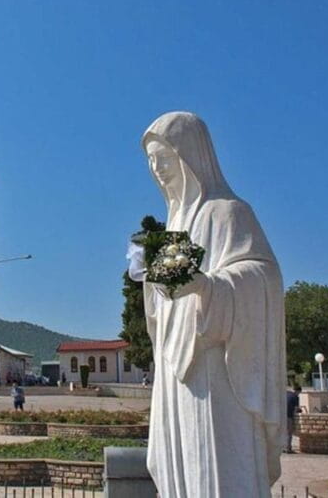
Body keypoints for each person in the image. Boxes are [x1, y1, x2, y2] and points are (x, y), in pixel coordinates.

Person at [129, 112, 285, 497]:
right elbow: (164, 306)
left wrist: (208, 286)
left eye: (164, 157)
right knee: (182, 466)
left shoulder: (229, 212)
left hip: (216, 367)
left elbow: (264, 278)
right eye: (151, 161)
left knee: (217, 464)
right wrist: (150, 279)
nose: (157, 169)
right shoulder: (173, 228)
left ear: (191, 156)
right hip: (175, 370)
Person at [285, 385, 302, 453]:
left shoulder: (286, 393)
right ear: (298, 391)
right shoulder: (296, 397)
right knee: (289, 433)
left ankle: (282, 447)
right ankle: (288, 448)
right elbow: (296, 408)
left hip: (282, 415)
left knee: (283, 432)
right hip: (289, 416)